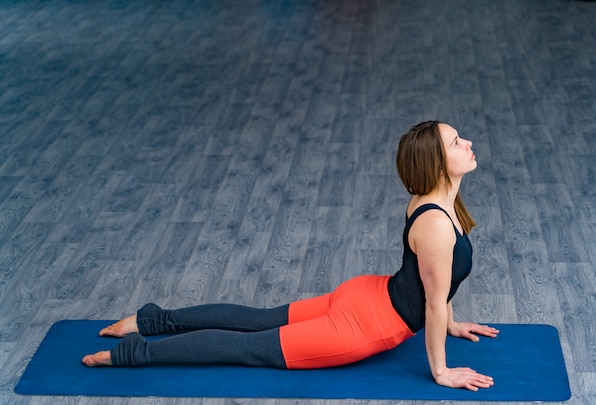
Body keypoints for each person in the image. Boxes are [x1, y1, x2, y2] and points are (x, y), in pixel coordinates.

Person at [83, 120, 499, 391]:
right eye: (457, 142)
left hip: (365, 295)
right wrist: (441, 372)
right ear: (436, 164)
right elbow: (431, 297)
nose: (469, 143)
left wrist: (452, 321)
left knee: (255, 319)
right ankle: (135, 351)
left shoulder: (437, 203)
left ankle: (154, 319)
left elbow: (436, 284)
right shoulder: (438, 224)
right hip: (364, 324)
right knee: (249, 346)